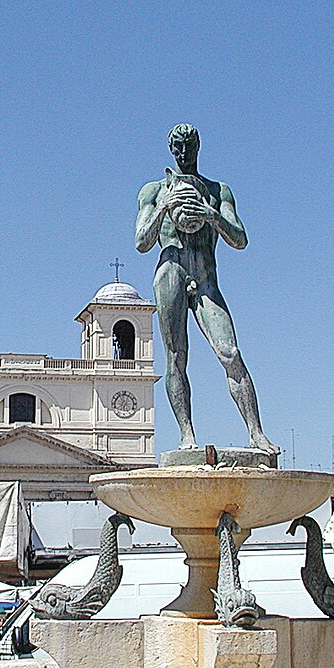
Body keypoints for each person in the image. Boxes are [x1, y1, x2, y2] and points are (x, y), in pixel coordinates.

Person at [135, 124, 274, 452]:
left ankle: (256, 432)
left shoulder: (218, 190)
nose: (184, 154)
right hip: (171, 270)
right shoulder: (153, 191)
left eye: (189, 147)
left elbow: (240, 239)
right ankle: (187, 435)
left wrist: (211, 214)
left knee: (230, 352)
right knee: (176, 357)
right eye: (178, 148)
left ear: (198, 147)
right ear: (171, 150)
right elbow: (142, 241)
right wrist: (164, 207)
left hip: (206, 277)